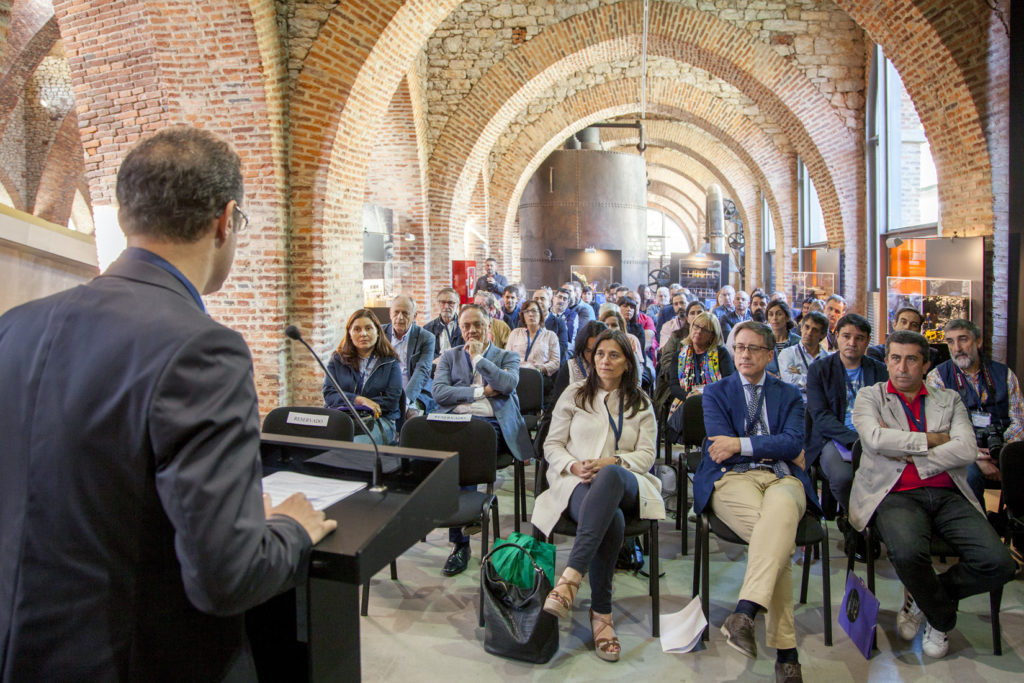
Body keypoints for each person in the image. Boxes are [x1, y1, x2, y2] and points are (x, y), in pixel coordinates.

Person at [0, 126, 335, 680]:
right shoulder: (203, 346)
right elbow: (227, 576)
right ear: (226, 221)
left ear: (128, 216)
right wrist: (291, 528)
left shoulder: (15, 326)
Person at [849, 330, 1015, 658]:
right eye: (895, 358)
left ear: (925, 364)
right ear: (886, 362)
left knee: (1000, 563)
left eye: (912, 359)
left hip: (948, 493)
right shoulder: (871, 396)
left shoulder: (948, 399)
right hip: (894, 492)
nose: (902, 367)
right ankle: (940, 617)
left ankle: (926, 597)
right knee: (908, 555)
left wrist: (909, 450)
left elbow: (966, 449)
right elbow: (874, 439)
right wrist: (932, 440)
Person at [692, 321, 817, 683]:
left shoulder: (789, 394)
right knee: (779, 540)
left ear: (769, 354)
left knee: (775, 528)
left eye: (753, 348)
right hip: (732, 478)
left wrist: (741, 443)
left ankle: (745, 612)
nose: (744, 354)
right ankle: (786, 653)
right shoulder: (716, 391)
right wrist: (759, 445)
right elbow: (719, 445)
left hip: (783, 478)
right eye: (739, 347)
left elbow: (793, 443)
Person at [535, 330, 664, 662]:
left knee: (610, 476)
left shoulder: (640, 402)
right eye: (600, 354)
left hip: (629, 484)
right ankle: (602, 616)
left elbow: (647, 455)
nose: (605, 361)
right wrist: (574, 466)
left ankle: (570, 578)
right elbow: (552, 445)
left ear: (627, 363)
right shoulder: (574, 394)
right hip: (577, 485)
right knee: (612, 519)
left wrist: (614, 462)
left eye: (614, 355)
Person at [432, 304, 534, 575]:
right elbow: (439, 393)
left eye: (477, 324)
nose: (471, 330)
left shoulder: (507, 356)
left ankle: (461, 540)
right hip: (456, 424)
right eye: (465, 326)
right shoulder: (449, 357)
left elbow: (508, 384)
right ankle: (468, 524)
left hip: (494, 427)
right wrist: (480, 391)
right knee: (452, 445)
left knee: (464, 446)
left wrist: (479, 360)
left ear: (489, 326)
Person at [926, 319, 1023, 521]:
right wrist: (977, 456)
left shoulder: (1004, 374)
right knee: (969, 476)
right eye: (951, 342)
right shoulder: (938, 377)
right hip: (961, 450)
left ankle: (1013, 525)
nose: (957, 348)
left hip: (1003, 446)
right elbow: (941, 428)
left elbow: (1019, 420)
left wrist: (1003, 453)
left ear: (978, 341)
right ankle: (978, 530)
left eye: (963, 340)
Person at [805, 313, 887, 518]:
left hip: (875, 438)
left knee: (887, 478)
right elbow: (821, 416)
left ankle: (872, 524)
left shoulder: (879, 370)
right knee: (844, 479)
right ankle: (856, 523)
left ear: (868, 341)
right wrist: (854, 440)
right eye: (846, 336)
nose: (852, 343)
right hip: (834, 439)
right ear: (836, 337)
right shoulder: (820, 370)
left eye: (859, 338)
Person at [324, 309, 404, 445]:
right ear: (349, 333)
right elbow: (329, 394)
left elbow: (391, 400)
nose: (363, 334)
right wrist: (359, 400)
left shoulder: (390, 361)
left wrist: (363, 408)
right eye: (357, 329)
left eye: (368, 328)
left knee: (354, 444)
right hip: (342, 418)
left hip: (378, 420)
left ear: (378, 332)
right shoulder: (337, 359)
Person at [664, 312, 734, 441]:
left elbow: (728, 382)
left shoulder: (721, 353)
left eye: (705, 329)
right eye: (696, 327)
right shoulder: (679, 355)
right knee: (692, 404)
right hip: (685, 399)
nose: (698, 332)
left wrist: (706, 393)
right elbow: (674, 386)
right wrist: (688, 396)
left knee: (704, 405)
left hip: (714, 399)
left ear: (712, 335)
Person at [382, 294, 435, 416]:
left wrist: (405, 401)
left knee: (412, 418)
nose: (399, 317)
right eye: (396, 312)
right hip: (385, 392)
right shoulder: (380, 334)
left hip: (415, 391)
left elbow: (422, 370)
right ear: (390, 313)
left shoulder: (426, 338)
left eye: (405, 313)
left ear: (414, 316)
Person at [550, 321, 607, 408]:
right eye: (589, 351)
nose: (593, 357)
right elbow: (556, 405)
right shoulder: (571, 367)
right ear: (582, 349)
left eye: (599, 352)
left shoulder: (614, 369)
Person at [777, 311, 830, 402]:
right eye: (807, 327)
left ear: (823, 334)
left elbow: (830, 386)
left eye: (815, 330)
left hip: (821, 406)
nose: (809, 332)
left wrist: (801, 375)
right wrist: (819, 381)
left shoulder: (828, 359)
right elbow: (790, 382)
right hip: (796, 404)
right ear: (801, 327)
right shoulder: (787, 354)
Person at [507, 299, 561, 378]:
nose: (530, 314)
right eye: (526, 311)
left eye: (534, 311)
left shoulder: (550, 336)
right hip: (516, 375)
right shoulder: (515, 333)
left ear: (541, 314)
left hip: (538, 376)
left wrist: (538, 370)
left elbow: (555, 362)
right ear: (523, 315)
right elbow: (507, 357)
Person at [424, 287, 463, 361]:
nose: (446, 306)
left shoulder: (465, 327)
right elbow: (425, 354)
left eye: (450, 303)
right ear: (438, 304)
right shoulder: (428, 329)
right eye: (442, 302)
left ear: (457, 305)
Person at [763, 299, 801, 375]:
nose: (774, 318)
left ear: (787, 317)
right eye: (771, 314)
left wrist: (800, 372)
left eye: (779, 314)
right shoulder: (763, 342)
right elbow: (756, 367)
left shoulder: (798, 342)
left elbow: (806, 369)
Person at [533, 288, 568, 365]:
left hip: (551, 368)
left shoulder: (559, 323)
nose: (538, 301)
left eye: (542, 299)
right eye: (536, 299)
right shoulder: (524, 322)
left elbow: (562, 349)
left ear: (549, 303)